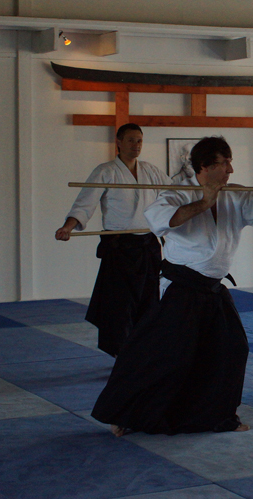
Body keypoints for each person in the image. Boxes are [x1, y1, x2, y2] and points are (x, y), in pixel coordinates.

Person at [91, 135, 253, 435]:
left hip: (213, 288)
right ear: (204, 166)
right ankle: (123, 414)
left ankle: (218, 416)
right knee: (162, 354)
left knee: (232, 348)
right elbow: (162, 221)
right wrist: (204, 202)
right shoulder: (177, 193)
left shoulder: (236, 195)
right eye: (224, 163)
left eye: (230, 162)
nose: (230, 170)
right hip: (180, 286)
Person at [55, 123, 169, 357]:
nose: (136, 145)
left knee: (149, 302)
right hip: (120, 247)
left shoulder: (151, 171)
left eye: (139, 140)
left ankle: (143, 352)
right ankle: (121, 354)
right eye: (130, 140)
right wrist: (68, 227)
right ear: (118, 142)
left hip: (148, 246)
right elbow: (85, 203)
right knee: (120, 304)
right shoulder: (105, 171)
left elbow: (174, 195)